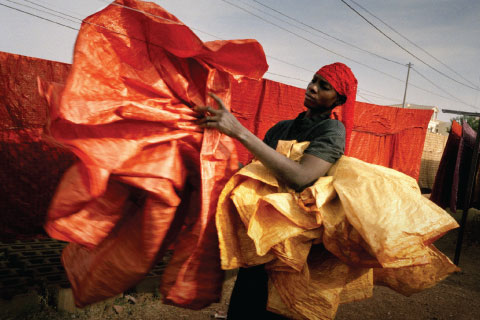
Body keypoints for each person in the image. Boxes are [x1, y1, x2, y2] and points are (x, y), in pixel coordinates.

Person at [194, 62, 357, 319]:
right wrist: (208, 152)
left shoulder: (332, 131)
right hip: (262, 234)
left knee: (279, 310)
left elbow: (301, 177)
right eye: (313, 80)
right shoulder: (281, 129)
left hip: (297, 242)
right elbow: (255, 173)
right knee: (245, 306)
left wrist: (239, 131)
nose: (312, 88)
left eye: (323, 86)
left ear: (338, 99)